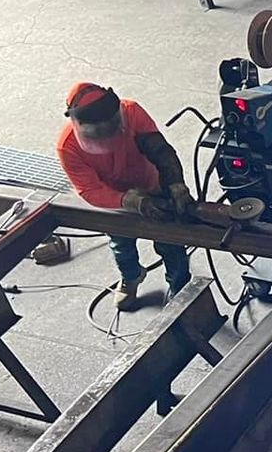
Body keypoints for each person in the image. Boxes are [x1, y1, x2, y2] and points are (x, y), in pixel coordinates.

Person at [56, 82, 195, 310]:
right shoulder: (68, 147)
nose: (105, 137)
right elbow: (89, 190)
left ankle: (179, 285)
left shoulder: (131, 112)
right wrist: (129, 201)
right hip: (115, 200)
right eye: (97, 131)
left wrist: (176, 185)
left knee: (171, 240)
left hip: (151, 185)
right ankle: (131, 277)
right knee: (121, 244)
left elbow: (161, 150)